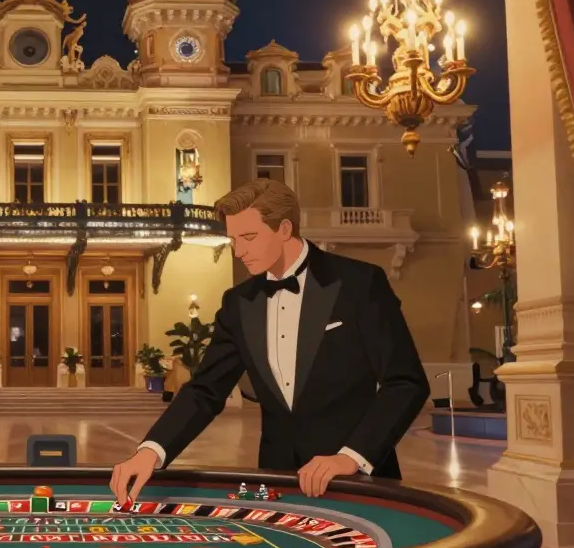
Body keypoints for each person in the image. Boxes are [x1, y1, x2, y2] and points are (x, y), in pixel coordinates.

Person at [110, 179, 429, 501]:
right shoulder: (238, 302)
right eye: (233, 239)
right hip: (278, 480)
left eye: (249, 237)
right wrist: (151, 451)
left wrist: (351, 456)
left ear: (285, 228)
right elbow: (205, 390)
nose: (239, 251)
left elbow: (405, 382)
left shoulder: (359, 283)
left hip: (357, 479)